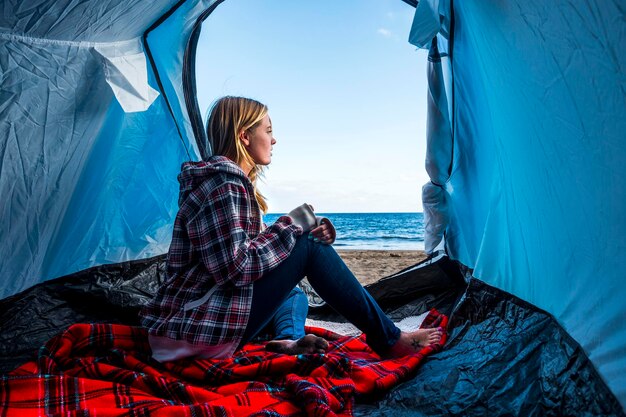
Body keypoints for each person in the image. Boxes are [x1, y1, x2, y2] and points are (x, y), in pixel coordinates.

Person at [139, 96, 442, 362]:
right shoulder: (224, 184)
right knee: (309, 248)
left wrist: (301, 230)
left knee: (295, 294)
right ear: (244, 136)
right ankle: (389, 340)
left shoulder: (226, 183)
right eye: (268, 131)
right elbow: (235, 269)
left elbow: (255, 250)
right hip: (193, 328)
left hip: (192, 321)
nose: (274, 140)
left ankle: (288, 339)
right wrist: (295, 227)